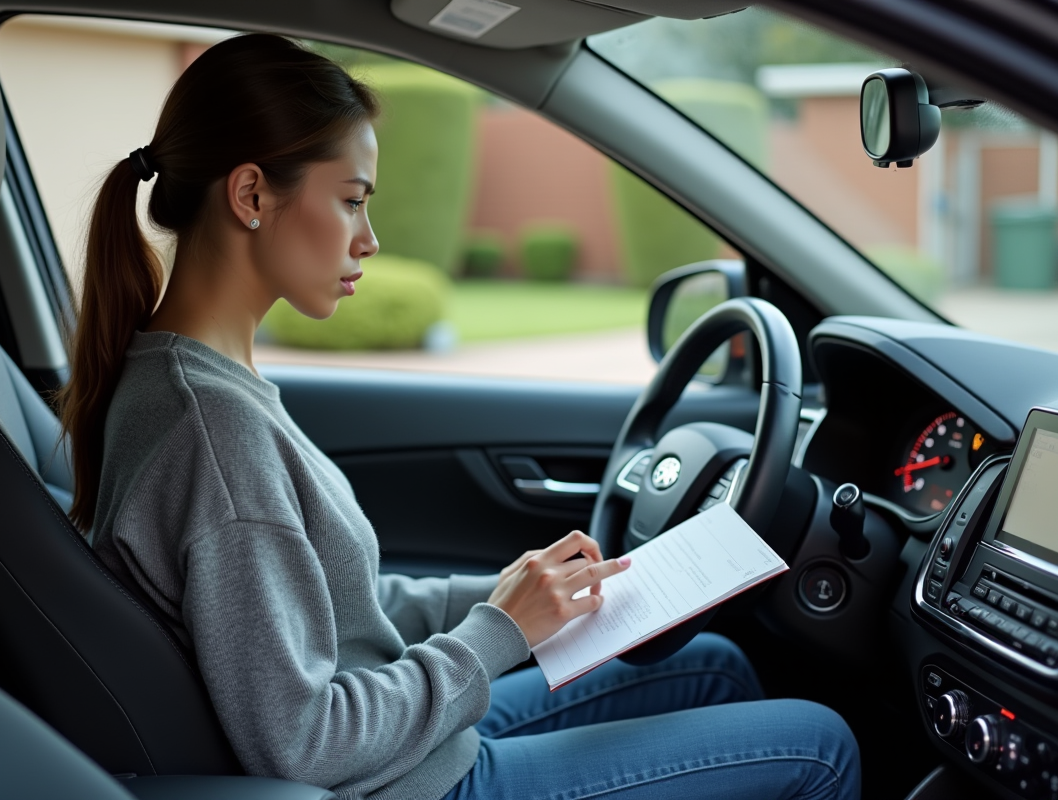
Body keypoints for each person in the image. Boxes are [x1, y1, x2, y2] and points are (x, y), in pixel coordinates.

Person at [61, 33, 861, 800]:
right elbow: (299, 743)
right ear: (250, 195)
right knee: (821, 746)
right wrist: (498, 632)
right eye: (351, 201)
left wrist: (514, 596)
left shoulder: (186, 380)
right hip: (402, 786)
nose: (369, 240)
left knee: (712, 664)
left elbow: (338, 617)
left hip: (403, 749)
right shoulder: (214, 434)